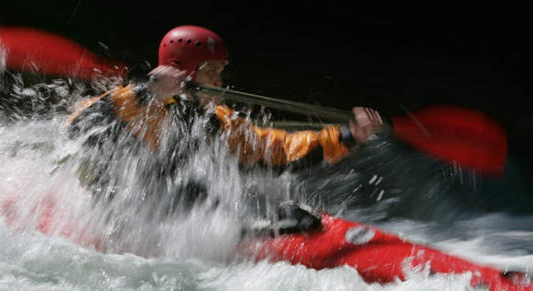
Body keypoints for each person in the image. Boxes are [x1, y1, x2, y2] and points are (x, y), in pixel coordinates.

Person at [67, 25, 386, 225]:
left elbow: (275, 150)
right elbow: (78, 126)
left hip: (172, 210)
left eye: (221, 72)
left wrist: (348, 136)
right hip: (117, 213)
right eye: (212, 72)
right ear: (185, 72)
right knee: (201, 198)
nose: (220, 82)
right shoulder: (135, 103)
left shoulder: (215, 120)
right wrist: (148, 90)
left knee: (270, 210)